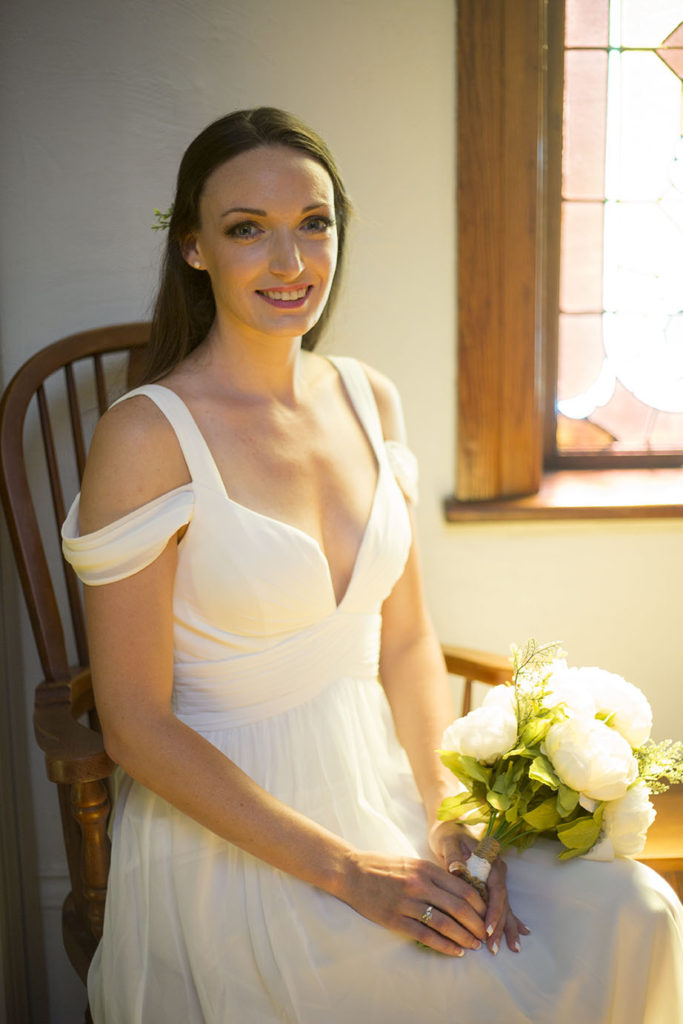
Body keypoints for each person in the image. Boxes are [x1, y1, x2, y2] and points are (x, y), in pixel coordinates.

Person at [62, 107, 683, 1023]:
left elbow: (404, 643)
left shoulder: (367, 396)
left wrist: (451, 820)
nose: (292, 262)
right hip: (233, 832)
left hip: (382, 783)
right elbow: (134, 724)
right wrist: (349, 873)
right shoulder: (146, 436)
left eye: (314, 223)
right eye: (247, 231)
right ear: (193, 248)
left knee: (636, 913)